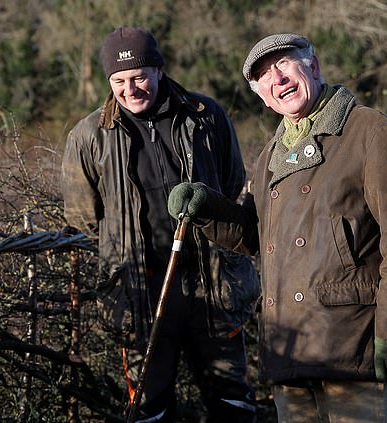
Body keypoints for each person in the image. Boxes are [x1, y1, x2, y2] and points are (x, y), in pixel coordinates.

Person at [168, 34, 387, 422]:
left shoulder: (373, 133)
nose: (276, 79)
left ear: (313, 66)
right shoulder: (272, 155)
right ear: (261, 95)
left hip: (351, 347)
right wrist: (207, 207)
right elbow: (252, 234)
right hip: (290, 349)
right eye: (263, 75)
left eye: (283, 64)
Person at [61, 27, 259, 422]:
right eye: (118, 81)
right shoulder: (88, 137)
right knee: (150, 407)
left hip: (213, 285)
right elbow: (83, 217)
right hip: (139, 293)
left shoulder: (206, 117)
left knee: (232, 400)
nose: (129, 89)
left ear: (159, 70)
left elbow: (232, 184)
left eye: (138, 77)